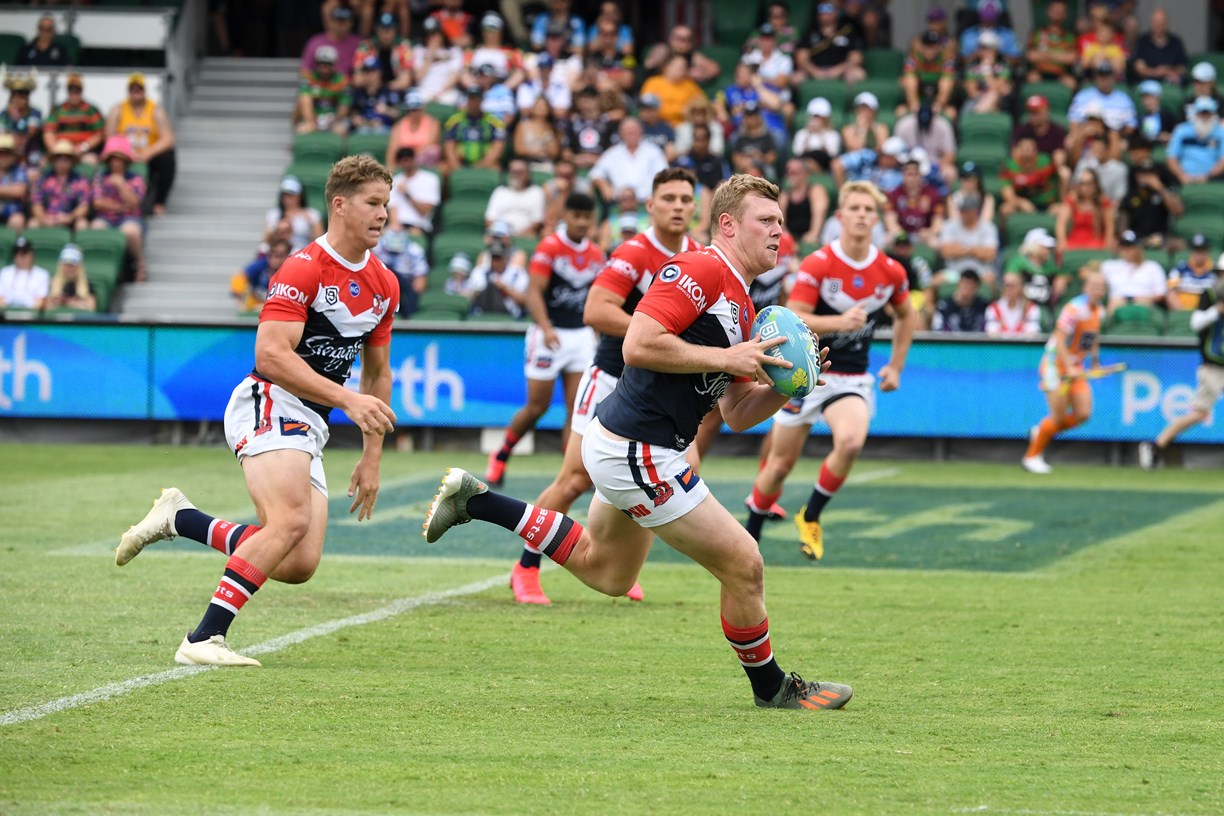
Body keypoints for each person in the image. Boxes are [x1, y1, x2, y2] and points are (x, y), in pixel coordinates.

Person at [426, 173, 852, 711]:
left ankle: (477, 501)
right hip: (638, 449)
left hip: (633, 447)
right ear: (727, 224)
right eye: (766, 220)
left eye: (781, 223)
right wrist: (728, 357)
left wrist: (786, 388)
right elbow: (638, 343)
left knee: (607, 572)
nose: (778, 232)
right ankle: (773, 688)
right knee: (745, 563)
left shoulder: (743, 304)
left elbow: (737, 413)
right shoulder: (700, 268)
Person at [115, 155, 399, 667]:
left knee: (298, 563)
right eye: (372, 203)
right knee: (290, 521)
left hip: (311, 422)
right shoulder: (305, 267)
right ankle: (203, 638)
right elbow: (270, 355)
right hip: (267, 401)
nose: (383, 214)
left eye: (386, 204)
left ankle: (181, 519)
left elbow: (378, 376)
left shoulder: (385, 283)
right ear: (339, 205)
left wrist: (372, 454)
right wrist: (347, 399)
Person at [508, 168, 701, 605]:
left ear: (695, 207)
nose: (677, 206)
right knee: (574, 479)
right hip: (612, 379)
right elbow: (595, 311)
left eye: (685, 199)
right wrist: (656, 335)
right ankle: (526, 568)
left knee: (662, 479)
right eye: (668, 198)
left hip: (660, 390)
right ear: (650, 206)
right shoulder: (634, 252)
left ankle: (620, 565)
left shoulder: (698, 256)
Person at [744, 180, 915, 560]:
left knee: (851, 441)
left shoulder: (890, 270)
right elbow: (795, 316)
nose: (861, 215)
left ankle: (811, 516)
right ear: (840, 216)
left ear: (877, 218)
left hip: (850, 376)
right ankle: (750, 534)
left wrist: (896, 367)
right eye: (854, 208)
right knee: (779, 465)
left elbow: (908, 315)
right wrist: (840, 322)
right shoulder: (819, 263)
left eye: (868, 210)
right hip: (803, 375)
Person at [485, 193, 604, 487]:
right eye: (576, 216)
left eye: (587, 217)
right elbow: (533, 292)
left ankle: (570, 472)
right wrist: (546, 327)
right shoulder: (550, 247)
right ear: (566, 216)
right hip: (548, 333)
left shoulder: (596, 254)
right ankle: (501, 453)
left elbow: (597, 296)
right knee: (538, 406)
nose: (582, 222)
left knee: (578, 410)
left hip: (580, 336)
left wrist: (595, 331)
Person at [1022, 269, 1108, 474]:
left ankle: (1042, 430)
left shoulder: (1100, 311)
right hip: (1055, 365)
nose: (1097, 291)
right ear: (1085, 288)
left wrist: (1094, 362)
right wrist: (1068, 366)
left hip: (1075, 368)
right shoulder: (1073, 309)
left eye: (1100, 287)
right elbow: (1059, 339)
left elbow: (1093, 337)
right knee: (1058, 417)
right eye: (1093, 287)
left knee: (1083, 414)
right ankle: (1032, 456)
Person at [1139, 276, 1224, 470]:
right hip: (1213, 366)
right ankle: (1155, 446)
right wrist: (1216, 311)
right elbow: (1196, 323)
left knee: (1198, 414)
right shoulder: (1210, 295)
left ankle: (1157, 445)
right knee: (1198, 414)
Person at [106, 73, 177, 217]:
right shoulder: (118, 110)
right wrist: (126, 152)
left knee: (168, 157)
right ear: (128, 91)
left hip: (149, 153)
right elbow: (109, 138)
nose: (136, 92)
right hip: (124, 155)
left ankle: (159, 202)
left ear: (145, 90)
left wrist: (147, 153)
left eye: (139, 88)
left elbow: (168, 138)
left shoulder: (156, 110)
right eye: (133, 89)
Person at [90, 136, 147, 282]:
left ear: (125, 160)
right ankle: (102, 267)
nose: (115, 162)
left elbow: (134, 203)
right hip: (105, 217)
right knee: (96, 227)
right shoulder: (100, 177)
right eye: (113, 158)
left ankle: (140, 264)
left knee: (130, 231)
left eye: (119, 158)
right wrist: (120, 207)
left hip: (130, 217)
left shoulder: (135, 178)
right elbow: (98, 202)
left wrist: (121, 184)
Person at [589, 118, 669, 205]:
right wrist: (604, 185)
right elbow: (594, 174)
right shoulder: (612, 153)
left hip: (647, 202)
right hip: (619, 203)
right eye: (628, 132)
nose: (631, 135)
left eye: (634, 131)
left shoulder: (653, 151)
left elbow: (664, 174)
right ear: (621, 134)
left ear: (641, 132)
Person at [440, 85, 506, 175]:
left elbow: (497, 147)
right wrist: (456, 166)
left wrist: (482, 165)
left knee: (496, 169)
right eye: (471, 98)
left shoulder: (494, 121)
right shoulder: (455, 120)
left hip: (485, 162)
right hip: (460, 162)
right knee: (443, 169)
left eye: (477, 98)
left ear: (482, 100)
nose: (474, 102)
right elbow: (449, 146)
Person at [1101, 230, 1167, 317]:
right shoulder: (1109, 265)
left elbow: (1161, 294)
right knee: (1112, 305)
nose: (1126, 250)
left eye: (1130, 246)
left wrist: (1139, 299)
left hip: (1144, 303)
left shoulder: (1153, 267)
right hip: (1117, 303)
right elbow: (1091, 276)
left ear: (1138, 248)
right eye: (1123, 246)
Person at [42, 73, 105, 165]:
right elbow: (49, 131)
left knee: (91, 161)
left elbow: (99, 134)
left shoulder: (91, 110)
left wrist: (82, 148)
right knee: (43, 162)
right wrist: (55, 150)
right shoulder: (58, 110)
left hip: (83, 152)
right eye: (71, 90)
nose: (74, 94)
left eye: (77, 90)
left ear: (81, 91)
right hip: (61, 151)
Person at [295, 45, 353, 135]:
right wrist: (311, 122)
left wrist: (335, 122)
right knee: (302, 128)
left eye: (328, 64)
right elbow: (304, 100)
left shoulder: (343, 81)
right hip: (313, 118)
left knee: (341, 129)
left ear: (334, 64)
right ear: (316, 64)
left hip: (334, 119)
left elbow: (344, 105)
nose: (324, 68)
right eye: (321, 64)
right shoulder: (309, 78)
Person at [1168, 98, 1224, 185]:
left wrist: (1208, 176)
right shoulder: (1181, 130)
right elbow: (1172, 157)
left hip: (1212, 180)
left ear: (1213, 114)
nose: (1205, 117)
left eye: (1208, 113)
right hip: (1183, 178)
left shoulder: (1220, 133)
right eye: (1202, 113)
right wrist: (1181, 175)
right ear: (1196, 114)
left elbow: (1222, 160)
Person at [1056, 168, 1114, 253]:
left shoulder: (1103, 202)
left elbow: (1110, 227)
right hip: (1074, 243)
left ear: (1095, 184)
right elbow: (1061, 224)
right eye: (1082, 183)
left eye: (1088, 184)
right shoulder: (1072, 200)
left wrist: (1108, 246)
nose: (1085, 187)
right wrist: (1062, 242)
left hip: (1096, 244)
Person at [484, 159, 545, 237]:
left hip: (525, 237)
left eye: (520, 172)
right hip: (500, 235)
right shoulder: (500, 191)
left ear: (528, 174)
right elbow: (489, 219)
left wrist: (519, 236)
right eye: (514, 172)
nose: (517, 175)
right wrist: (502, 234)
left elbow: (537, 222)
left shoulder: (536, 192)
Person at [387, 147, 440, 237]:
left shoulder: (430, 179)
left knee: (413, 234)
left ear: (415, 159)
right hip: (398, 226)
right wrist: (395, 228)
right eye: (404, 161)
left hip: (419, 226)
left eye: (409, 160)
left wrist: (407, 194)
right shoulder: (395, 181)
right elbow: (392, 208)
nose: (407, 164)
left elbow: (425, 211)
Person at [1025, 0, 1077, 88]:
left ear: (1065, 15)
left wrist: (1045, 54)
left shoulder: (1070, 36)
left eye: (1061, 10)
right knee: (1032, 78)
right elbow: (1031, 56)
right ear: (1048, 12)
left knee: (1071, 83)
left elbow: (1071, 58)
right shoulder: (1037, 33)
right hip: (1040, 73)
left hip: (1061, 75)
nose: (1057, 12)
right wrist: (1060, 55)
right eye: (1055, 10)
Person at [265, 176, 324, 252]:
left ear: (300, 196)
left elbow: (320, 241)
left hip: (304, 252)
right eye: (285, 195)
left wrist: (311, 223)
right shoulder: (274, 214)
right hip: (279, 254)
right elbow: (265, 240)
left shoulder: (312, 214)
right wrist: (278, 229)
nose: (287, 198)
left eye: (291, 195)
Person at [231, 238, 290, 313]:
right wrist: (240, 301)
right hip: (255, 309)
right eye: (271, 255)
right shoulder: (261, 264)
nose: (274, 260)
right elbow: (240, 277)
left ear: (287, 256)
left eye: (279, 256)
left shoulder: (290, 271)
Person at [1133, 9, 1187, 86]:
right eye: (1156, 21)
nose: (1159, 24)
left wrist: (1167, 71)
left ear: (1167, 23)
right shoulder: (1142, 41)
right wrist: (1156, 72)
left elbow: (1183, 68)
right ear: (1151, 23)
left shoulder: (1176, 42)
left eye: (1162, 22)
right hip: (1148, 83)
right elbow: (1139, 68)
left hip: (1171, 82)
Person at [1167, 233, 1217, 311]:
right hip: (1182, 310)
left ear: (1208, 251)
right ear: (1191, 251)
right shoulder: (1180, 269)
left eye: (1202, 250)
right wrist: (1183, 313)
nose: (1199, 254)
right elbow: (1171, 292)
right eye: (1196, 250)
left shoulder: (1215, 271)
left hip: (1206, 313)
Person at [0, 236, 50, 312]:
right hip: (6, 314)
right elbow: (1, 299)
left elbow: (40, 301)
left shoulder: (42, 274)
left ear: (32, 255)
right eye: (18, 254)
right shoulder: (4, 272)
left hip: (30, 315)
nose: (22, 257)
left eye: (25, 253)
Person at [986, 271, 1041, 336]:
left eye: (1012, 286)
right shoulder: (993, 308)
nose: (1008, 289)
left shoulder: (1031, 308)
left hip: (1022, 343)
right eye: (1006, 285)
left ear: (1020, 287)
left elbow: (1032, 334)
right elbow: (992, 334)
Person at [46, 244, 96, 312]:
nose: (69, 269)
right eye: (66, 265)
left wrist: (70, 303)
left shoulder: (87, 284)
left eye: (72, 265)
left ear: (79, 267)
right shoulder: (53, 283)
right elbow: (47, 307)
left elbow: (91, 308)